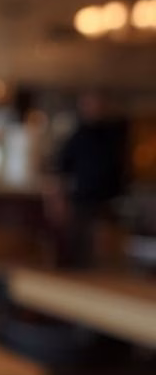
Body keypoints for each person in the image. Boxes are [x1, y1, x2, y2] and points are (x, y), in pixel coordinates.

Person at [49, 90, 129, 269]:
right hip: (82, 201)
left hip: (109, 201)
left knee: (106, 252)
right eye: (90, 103)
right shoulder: (77, 137)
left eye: (99, 103)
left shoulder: (114, 133)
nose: (95, 108)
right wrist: (58, 201)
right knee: (79, 250)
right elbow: (59, 171)